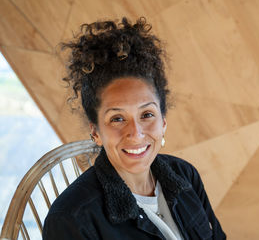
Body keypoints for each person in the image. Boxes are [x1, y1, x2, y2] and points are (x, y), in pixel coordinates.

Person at [43, 18, 226, 240]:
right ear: (95, 133)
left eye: (147, 115)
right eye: (117, 118)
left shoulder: (185, 175)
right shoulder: (71, 219)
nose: (136, 133)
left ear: (163, 122)